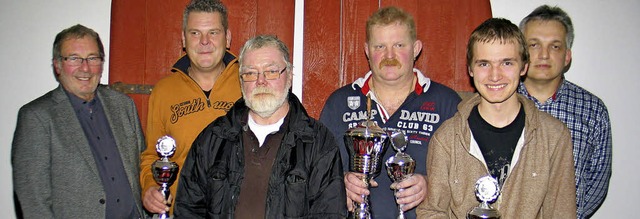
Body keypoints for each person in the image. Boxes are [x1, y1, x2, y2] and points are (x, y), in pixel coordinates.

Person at [417, 18, 577, 218]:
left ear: (524, 67)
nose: (495, 76)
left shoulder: (554, 136)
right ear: (470, 70)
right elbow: (431, 211)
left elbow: (562, 213)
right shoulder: (447, 138)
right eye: (484, 64)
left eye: (507, 63)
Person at [173, 35, 347, 218]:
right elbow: (188, 210)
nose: (260, 81)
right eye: (250, 73)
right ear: (241, 82)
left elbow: (330, 213)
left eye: (271, 71)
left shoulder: (318, 142)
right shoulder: (213, 139)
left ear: (289, 76)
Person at [319, 6, 461, 219]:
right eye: (380, 46)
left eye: (399, 45)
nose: (389, 56)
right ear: (367, 50)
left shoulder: (448, 105)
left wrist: (431, 187)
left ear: (416, 48)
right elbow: (317, 174)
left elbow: (467, 177)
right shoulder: (339, 104)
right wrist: (340, 184)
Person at [11, 24, 145, 218]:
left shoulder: (123, 106)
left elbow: (142, 170)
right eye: (74, 58)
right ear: (57, 65)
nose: (85, 68)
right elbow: (33, 201)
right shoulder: (37, 118)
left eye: (93, 58)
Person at [139, 0, 242, 216]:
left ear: (228, 37)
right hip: (182, 212)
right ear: (184, 39)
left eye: (213, 32)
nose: (204, 41)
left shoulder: (248, 84)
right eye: (195, 33)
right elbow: (152, 157)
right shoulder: (163, 91)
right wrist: (149, 187)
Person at [518, 5, 612, 218]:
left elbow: (598, 180)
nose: (543, 55)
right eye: (534, 45)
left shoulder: (593, 111)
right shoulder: (498, 101)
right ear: (521, 53)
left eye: (555, 47)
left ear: (567, 56)